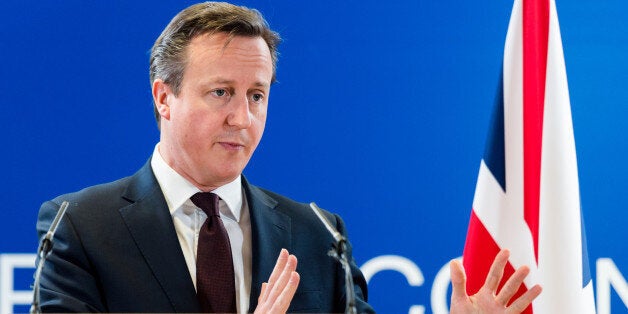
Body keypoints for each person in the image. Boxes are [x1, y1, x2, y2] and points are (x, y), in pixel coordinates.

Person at [36, 2, 540, 313]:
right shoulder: (82, 227)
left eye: (256, 95)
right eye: (220, 93)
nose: (242, 117)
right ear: (163, 97)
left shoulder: (320, 235)